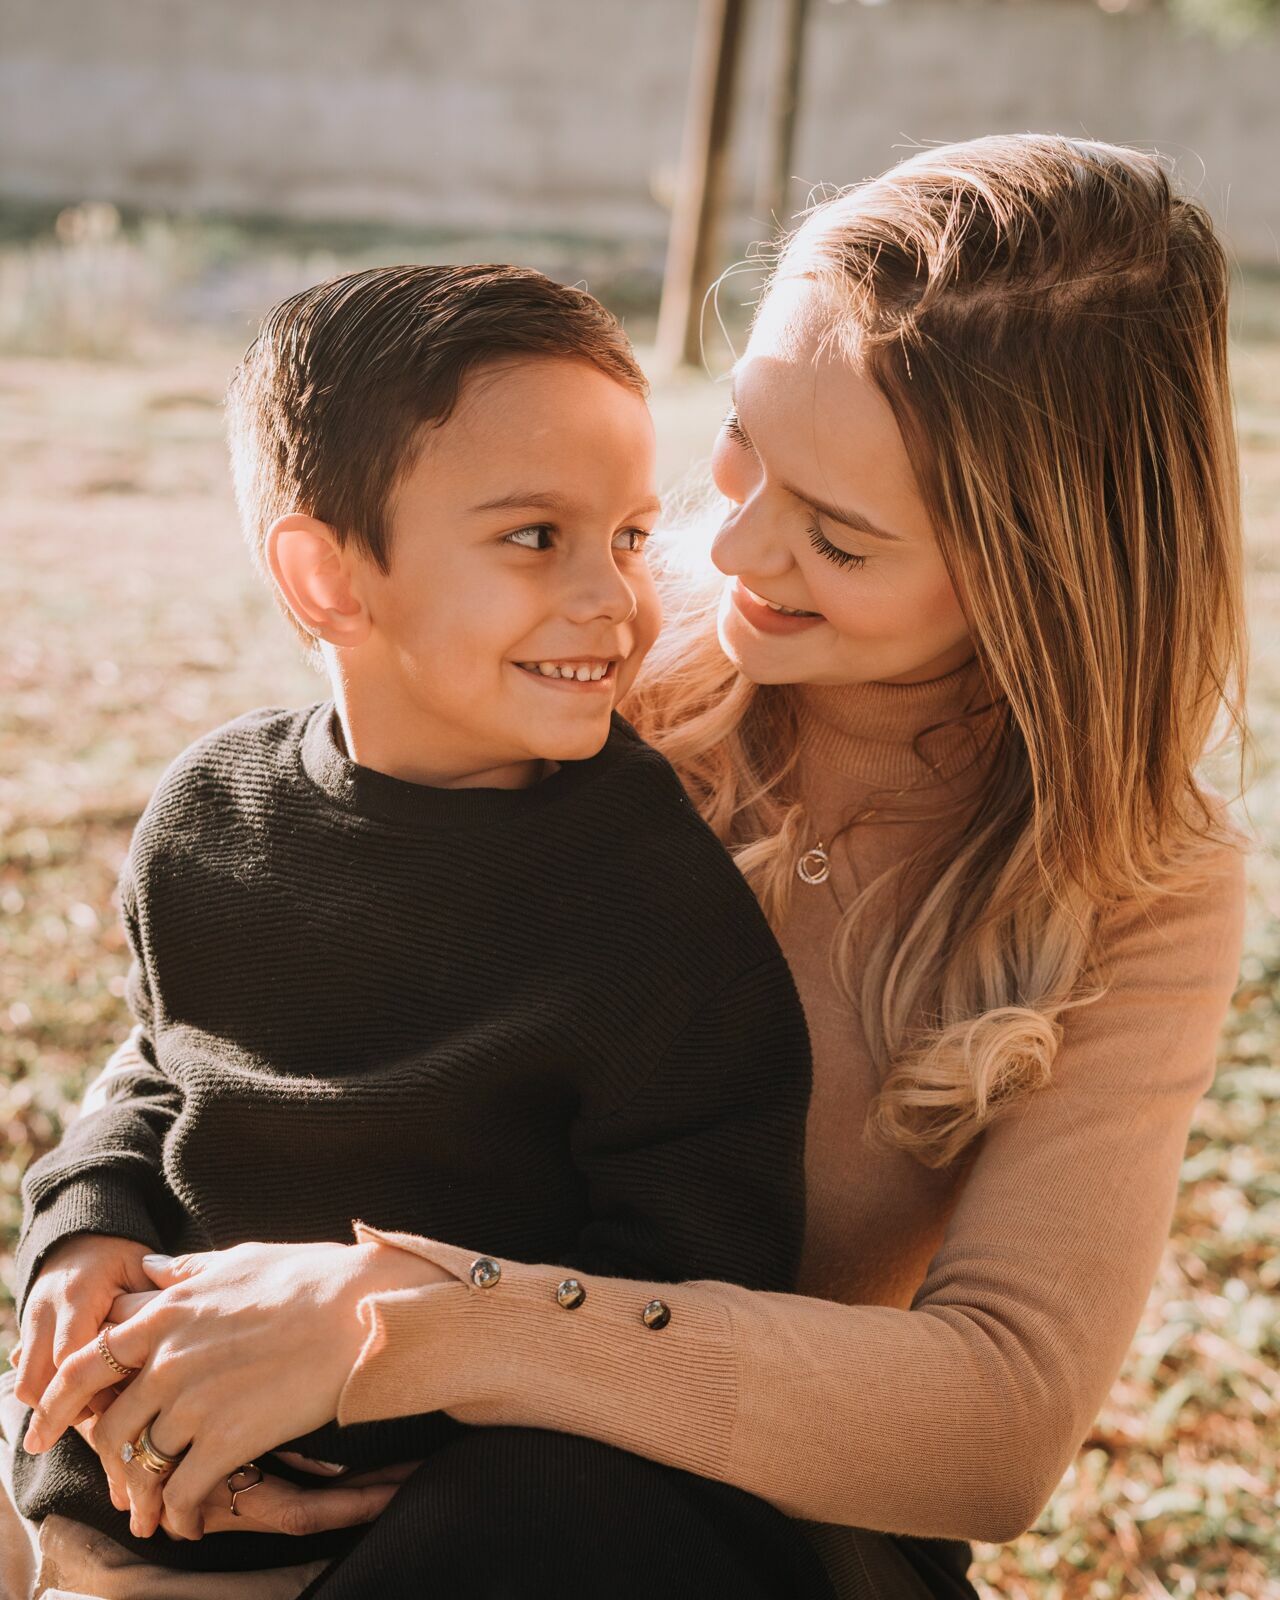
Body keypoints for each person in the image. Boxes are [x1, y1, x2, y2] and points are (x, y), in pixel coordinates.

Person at [6, 133, 1248, 1600]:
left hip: (713, 1522)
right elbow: (241, 977)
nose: (732, 553)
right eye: (742, 448)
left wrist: (406, 1326)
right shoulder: (589, 650)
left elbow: (998, 1423)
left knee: (534, 1519)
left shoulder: (1137, 880)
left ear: (1040, 570)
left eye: (837, 536)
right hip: (319, 1453)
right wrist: (90, 1242)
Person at [6, 264, 835, 1597]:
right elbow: (164, 1066)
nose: (614, 601)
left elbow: (691, 1280)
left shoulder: (650, 899)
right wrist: (89, 1231)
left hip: (463, 1488)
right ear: (329, 578)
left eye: (626, 535)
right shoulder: (211, 814)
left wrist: (390, 1371)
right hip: (176, 1449)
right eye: (533, 538)